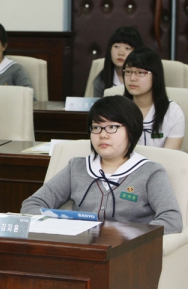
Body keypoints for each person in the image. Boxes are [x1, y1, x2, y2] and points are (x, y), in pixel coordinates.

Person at [21, 96, 182, 234]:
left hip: (127, 257)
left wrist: (128, 234)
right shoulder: (77, 167)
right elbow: (31, 205)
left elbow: (171, 220)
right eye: (96, 127)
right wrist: (64, 226)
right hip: (80, 250)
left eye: (112, 127)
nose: (103, 135)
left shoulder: (150, 172)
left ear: (132, 130)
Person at [122, 47, 184, 149]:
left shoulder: (173, 113)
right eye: (128, 72)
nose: (132, 78)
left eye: (140, 72)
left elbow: (170, 158)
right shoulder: (117, 110)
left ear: (155, 76)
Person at [92, 26, 143, 98]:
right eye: (116, 46)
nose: (121, 53)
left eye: (127, 48)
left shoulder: (144, 80)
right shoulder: (101, 81)